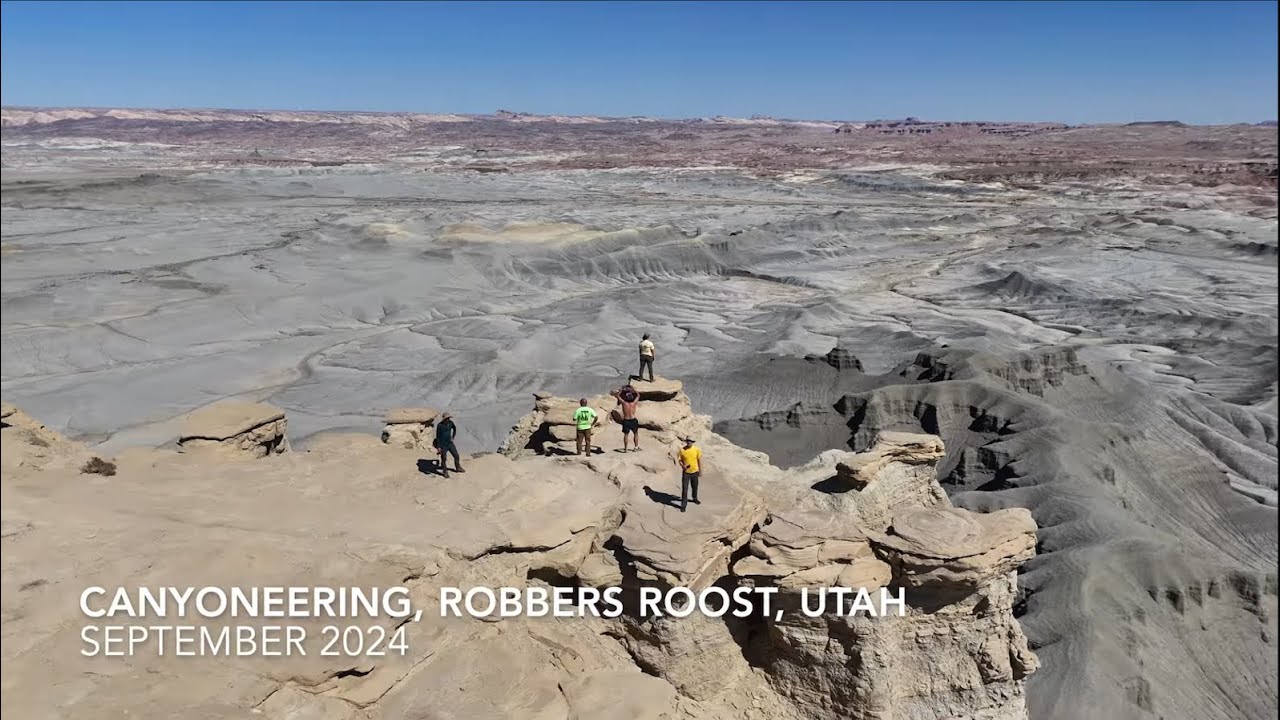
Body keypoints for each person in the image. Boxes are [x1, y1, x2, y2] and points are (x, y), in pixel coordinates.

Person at [675, 436, 702, 512]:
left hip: (695, 471)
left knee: (695, 487)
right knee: (685, 489)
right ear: (686, 441)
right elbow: (679, 460)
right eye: (688, 441)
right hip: (686, 473)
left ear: (693, 442)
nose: (689, 442)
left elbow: (699, 460)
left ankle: (695, 498)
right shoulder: (682, 450)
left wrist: (700, 471)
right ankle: (683, 505)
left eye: (690, 441)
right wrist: (682, 466)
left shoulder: (696, 450)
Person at [434, 412, 463, 477]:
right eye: (447, 418)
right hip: (443, 445)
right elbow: (438, 436)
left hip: (450, 443)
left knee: (456, 455)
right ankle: (445, 472)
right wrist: (438, 447)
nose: (448, 419)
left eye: (449, 418)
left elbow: (454, 429)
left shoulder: (451, 423)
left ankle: (458, 467)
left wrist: (453, 437)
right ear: (444, 419)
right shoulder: (440, 425)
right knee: (444, 458)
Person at [615, 384, 641, 452]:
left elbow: (618, 396)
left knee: (626, 435)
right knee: (635, 433)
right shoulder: (634, 403)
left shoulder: (624, 403)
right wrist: (633, 389)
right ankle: (636, 447)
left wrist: (621, 390)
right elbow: (638, 395)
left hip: (626, 420)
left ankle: (626, 449)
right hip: (633, 419)